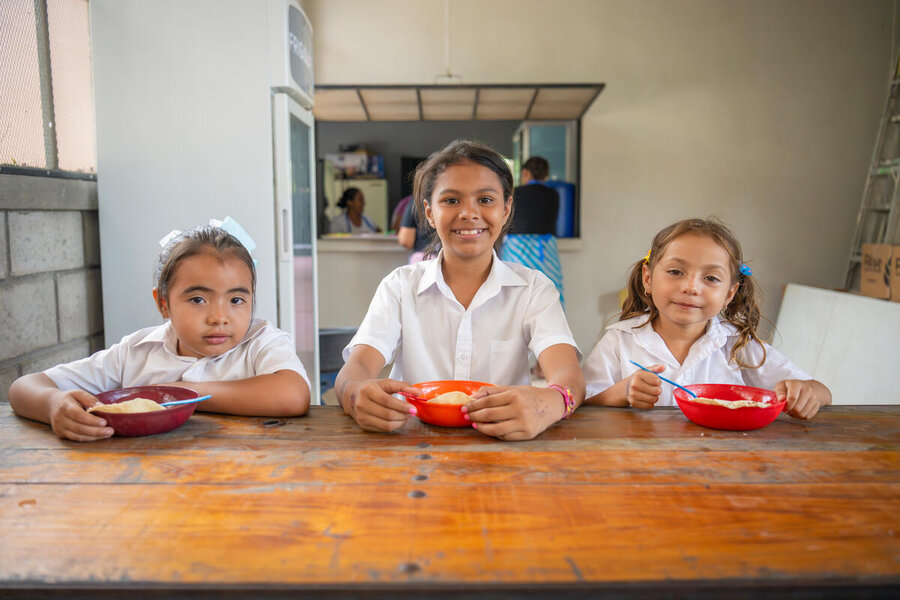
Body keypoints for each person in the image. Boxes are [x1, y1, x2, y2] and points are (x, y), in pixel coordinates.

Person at [333, 140, 585, 441]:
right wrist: (354, 393)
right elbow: (357, 367)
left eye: (486, 200)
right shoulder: (400, 286)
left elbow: (568, 374)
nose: (468, 213)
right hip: (412, 448)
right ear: (428, 212)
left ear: (506, 210)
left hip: (505, 447)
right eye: (451, 201)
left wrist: (550, 403)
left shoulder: (533, 290)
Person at [8, 225, 311, 441]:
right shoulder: (138, 351)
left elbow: (293, 395)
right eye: (197, 300)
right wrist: (52, 405)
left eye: (236, 300)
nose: (220, 317)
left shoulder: (260, 342)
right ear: (163, 304)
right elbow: (24, 387)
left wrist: (179, 395)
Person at [582, 217, 832, 419]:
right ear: (648, 278)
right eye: (675, 271)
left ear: (729, 294)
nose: (691, 287)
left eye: (711, 278)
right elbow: (580, 400)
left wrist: (807, 393)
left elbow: (823, 393)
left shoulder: (737, 344)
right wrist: (622, 392)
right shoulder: (619, 340)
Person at [509, 156, 559, 235]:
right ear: (545, 175)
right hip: (545, 244)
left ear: (525, 173)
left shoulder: (515, 192)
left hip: (516, 244)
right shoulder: (553, 194)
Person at [396, 193, 435, 263]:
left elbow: (405, 240)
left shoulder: (416, 201)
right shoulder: (453, 199)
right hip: (453, 257)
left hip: (424, 257)